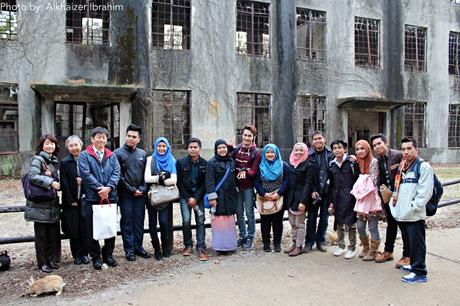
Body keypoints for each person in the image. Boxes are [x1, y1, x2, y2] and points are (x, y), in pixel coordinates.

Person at [390, 137, 433, 283]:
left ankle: (420, 272)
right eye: (403, 149)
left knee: (417, 243)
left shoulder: (423, 166)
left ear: (416, 149)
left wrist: (413, 208)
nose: (406, 152)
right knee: (409, 242)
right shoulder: (403, 166)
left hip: (413, 214)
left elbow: (424, 192)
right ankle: (413, 265)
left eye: (409, 148)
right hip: (403, 213)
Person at [79, 127, 121, 270]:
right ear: (92, 139)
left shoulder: (112, 155)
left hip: (110, 196)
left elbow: (116, 172)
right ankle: (96, 257)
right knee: (92, 229)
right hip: (92, 197)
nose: (101, 140)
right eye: (98, 137)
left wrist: (108, 188)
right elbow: (85, 174)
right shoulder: (84, 155)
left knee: (110, 227)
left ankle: (108, 255)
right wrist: (99, 189)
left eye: (103, 137)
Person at [370, 133, 409, 267]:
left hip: (403, 197)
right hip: (388, 198)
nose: (377, 147)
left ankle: (407, 255)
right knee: (391, 225)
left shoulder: (398, 155)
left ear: (386, 143)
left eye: (379, 143)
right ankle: (388, 251)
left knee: (404, 226)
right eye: (374, 145)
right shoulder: (378, 160)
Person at [24, 134, 61, 273]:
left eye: (52, 143)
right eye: (47, 143)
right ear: (41, 146)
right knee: (41, 236)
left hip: (51, 204)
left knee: (52, 234)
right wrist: (51, 182)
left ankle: (51, 260)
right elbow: (32, 176)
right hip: (40, 204)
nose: (50, 146)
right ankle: (42, 263)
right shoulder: (38, 160)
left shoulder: (51, 161)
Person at [114, 124, 151, 262]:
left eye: (134, 137)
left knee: (139, 220)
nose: (130, 138)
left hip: (140, 194)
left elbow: (146, 175)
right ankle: (129, 249)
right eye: (129, 136)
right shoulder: (117, 153)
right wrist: (131, 189)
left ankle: (138, 247)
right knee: (127, 221)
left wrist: (142, 189)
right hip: (125, 194)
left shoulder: (142, 154)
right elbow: (118, 176)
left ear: (139, 139)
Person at [144, 137, 177, 260]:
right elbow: (147, 178)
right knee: (152, 223)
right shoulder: (150, 159)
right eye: (159, 146)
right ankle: (156, 249)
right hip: (152, 196)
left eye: (164, 146)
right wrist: (162, 177)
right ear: (156, 147)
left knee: (164, 222)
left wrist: (160, 178)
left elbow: (174, 180)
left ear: (167, 147)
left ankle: (165, 247)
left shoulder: (171, 159)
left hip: (165, 197)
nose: (161, 148)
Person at [176, 138, 208, 261]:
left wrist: (196, 198)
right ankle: (188, 245)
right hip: (185, 196)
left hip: (198, 197)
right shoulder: (181, 162)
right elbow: (179, 182)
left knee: (200, 221)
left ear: (199, 149)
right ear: (187, 149)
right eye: (191, 147)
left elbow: (205, 183)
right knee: (186, 220)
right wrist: (188, 197)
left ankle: (201, 247)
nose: (193, 149)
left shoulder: (205, 163)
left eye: (195, 147)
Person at [60, 135, 89, 266]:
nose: (74, 148)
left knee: (85, 227)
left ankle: (85, 253)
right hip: (71, 201)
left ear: (81, 145)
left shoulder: (86, 158)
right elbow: (64, 182)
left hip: (85, 199)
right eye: (71, 145)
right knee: (74, 228)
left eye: (76, 145)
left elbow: (91, 177)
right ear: (68, 148)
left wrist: (83, 182)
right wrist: (70, 199)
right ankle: (76, 255)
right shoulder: (65, 162)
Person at [254, 144, 289, 252]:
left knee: (278, 221)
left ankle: (277, 243)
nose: (270, 154)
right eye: (267, 152)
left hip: (278, 197)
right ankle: (266, 243)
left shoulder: (283, 165)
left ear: (276, 153)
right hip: (264, 198)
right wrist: (264, 193)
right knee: (265, 221)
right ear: (264, 154)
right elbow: (256, 181)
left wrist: (279, 193)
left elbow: (286, 180)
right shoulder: (260, 166)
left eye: (272, 152)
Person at [328, 140, 360, 259]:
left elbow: (357, 180)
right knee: (339, 223)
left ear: (345, 149)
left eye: (339, 147)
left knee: (351, 224)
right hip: (337, 198)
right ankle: (341, 246)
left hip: (351, 197)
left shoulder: (352, 163)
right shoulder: (332, 165)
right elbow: (331, 184)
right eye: (334, 148)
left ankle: (352, 248)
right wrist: (331, 200)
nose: (337, 150)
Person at [231, 124, 261, 250]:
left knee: (249, 212)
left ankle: (250, 237)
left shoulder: (256, 153)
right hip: (236, 186)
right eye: (245, 135)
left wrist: (245, 170)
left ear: (253, 137)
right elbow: (229, 162)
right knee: (239, 212)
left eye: (249, 136)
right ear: (242, 136)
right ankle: (242, 235)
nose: (247, 138)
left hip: (248, 187)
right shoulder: (237, 149)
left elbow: (253, 172)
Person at [352, 140, 383, 261]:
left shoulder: (374, 162)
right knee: (360, 226)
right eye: (357, 149)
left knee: (372, 226)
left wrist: (363, 180)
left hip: (371, 197)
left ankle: (373, 251)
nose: (360, 151)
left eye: (362, 148)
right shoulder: (357, 162)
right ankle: (365, 247)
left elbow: (374, 182)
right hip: (361, 199)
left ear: (368, 149)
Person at [206, 139, 238, 253]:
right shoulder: (211, 163)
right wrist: (212, 197)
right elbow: (209, 181)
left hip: (230, 196)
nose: (222, 150)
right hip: (218, 197)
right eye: (219, 148)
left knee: (229, 221)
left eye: (224, 147)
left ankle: (230, 245)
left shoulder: (231, 161)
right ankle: (220, 246)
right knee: (219, 221)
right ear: (216, 150)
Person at [305, 131, 334, 253]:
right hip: (314, 191)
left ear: (324, 139)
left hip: (327, 191)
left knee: (324, 218)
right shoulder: (309, 155)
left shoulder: (331, 154)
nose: (318, 141)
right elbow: (307, 176)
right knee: (311, 218)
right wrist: (312, 190)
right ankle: (309, 242)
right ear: (312, 141)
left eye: (320, 138)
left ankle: (320, 241)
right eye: (315, 139)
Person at [284, 142, 314, 256]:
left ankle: (299, 246)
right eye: (296, 150)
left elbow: (308, 184)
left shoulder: (309, 165)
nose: (298, 152)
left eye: (301, 150)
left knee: (299, 223)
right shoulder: (291, 164)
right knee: (292, 222)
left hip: (301, 198)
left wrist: (303, 201)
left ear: (305, 151)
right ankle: (294, 243)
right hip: (291, 198)